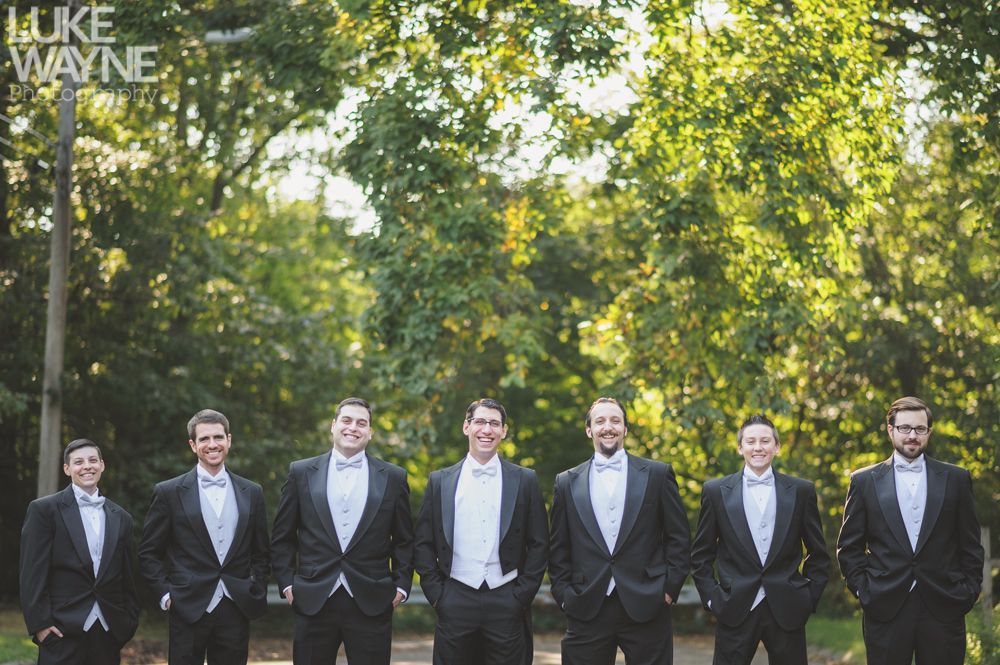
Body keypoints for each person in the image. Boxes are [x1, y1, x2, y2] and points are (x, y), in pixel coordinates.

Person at [837, 396, 984, 665]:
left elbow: (971, 545)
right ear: (891, 430)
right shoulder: (864, 481)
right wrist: (863, 590)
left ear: (929, 432)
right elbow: (849, 547)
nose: (912, 436)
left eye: (920, 429)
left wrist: (968, 591)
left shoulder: (956, 479)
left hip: (944, 604)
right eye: (905, 428)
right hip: (885, 605)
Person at [270, 397, 414, 665]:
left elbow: (405, 539)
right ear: (333, 425)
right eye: (346, 420)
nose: (353, 428)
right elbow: (282, 537)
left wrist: (401, 587)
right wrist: (288, 584)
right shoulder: (301, 472)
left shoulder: (393, 477)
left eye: (362, 423)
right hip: (313, 598)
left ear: (370, 432)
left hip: (372, 599)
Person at [548, 397, 690, 665]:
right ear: (589, 430)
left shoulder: (657, 474)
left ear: (625, 429)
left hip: (648, 602)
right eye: (599, 421)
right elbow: (558, 547)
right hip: (586, 604)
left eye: (615, 420)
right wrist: (564, 595)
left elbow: (679, 537)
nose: (608, 427)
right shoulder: (566, 482)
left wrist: (670, 587)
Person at [414, 398, 549, 665]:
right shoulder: (439, 481)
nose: (486, 429)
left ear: (504, 431)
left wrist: (521, 596)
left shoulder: (525, 480)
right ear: (467, 427)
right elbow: (423, 543)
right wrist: (438, 595)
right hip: (455, 598)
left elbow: (539, 543)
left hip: (507, 597)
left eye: (494, 423)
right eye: (480, 422)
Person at [690, 414, 829, 665]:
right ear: (740, 447)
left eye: (765, 441)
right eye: (751, 441)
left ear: (776, 446)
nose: (758, 447)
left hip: (787, 607)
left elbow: (818, 553)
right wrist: (712, 598)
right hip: (734, 607)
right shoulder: (715, 492)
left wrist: (808, 598)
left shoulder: (801, 491)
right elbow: (701, 555)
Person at [138, 409, 270, 665]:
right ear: (192, 445)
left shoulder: (252, 492)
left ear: (229, 440)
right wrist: (166, 596)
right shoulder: (169, 492)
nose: (212, 445)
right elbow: (148, 552)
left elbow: (261, 551)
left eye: (218, 437)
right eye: (204, 439)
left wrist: (256, 586)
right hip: (186, 606)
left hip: (235, 605)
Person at [19, 438, 140, 665]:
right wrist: (41, 626)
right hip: (60, 631)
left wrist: (127, 624)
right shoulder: (44, 510)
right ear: (67, 469)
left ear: (102, 465)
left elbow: (127, 577)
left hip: (107, 631)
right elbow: (32, 574)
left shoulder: (121, 517)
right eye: (78, 462)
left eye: (93, 460)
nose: (87, 466)